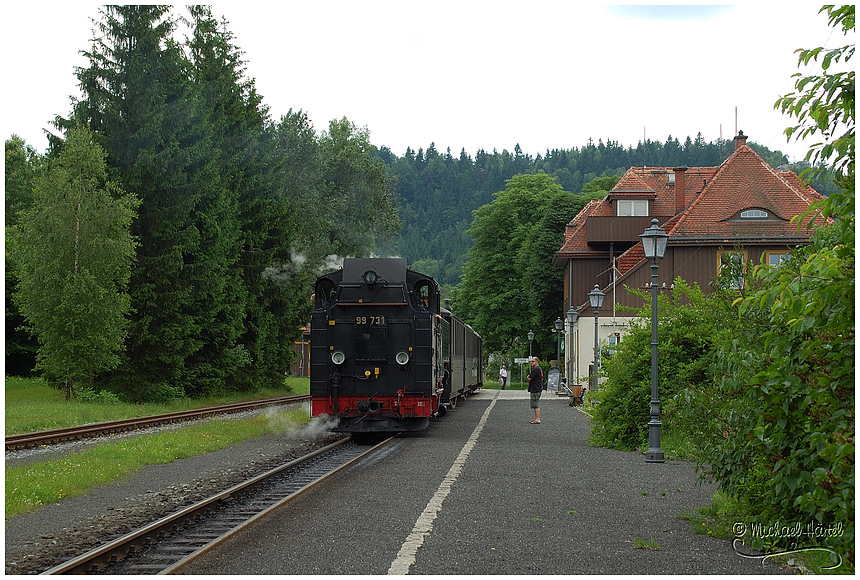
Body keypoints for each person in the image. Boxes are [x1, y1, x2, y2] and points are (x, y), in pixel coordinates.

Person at [527, 356, 543, 423]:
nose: (531, 363)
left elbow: (529, 378)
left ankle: (537, 419)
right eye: (531, 361)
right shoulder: (538, 369)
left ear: (537, 362)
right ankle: (536, 418)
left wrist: (528, 376)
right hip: (536, 388)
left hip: (536, 388)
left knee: (536, 404)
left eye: (533, 361)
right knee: (535, 404)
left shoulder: (536, 369)